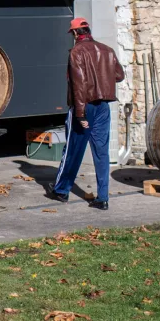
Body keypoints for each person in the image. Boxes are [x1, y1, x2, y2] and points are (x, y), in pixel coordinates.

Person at [50, 17, 124, 209]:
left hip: (85, 106)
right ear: (88, 30)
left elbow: (78, 85)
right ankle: (103, 198)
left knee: (73, 149)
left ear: (75, 33)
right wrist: (102, 76)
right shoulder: (107, 50)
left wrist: (80, 115)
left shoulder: (77, 52)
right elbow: (119, 75)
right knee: (102, 152)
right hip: (103, 107)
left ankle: (62, 191)